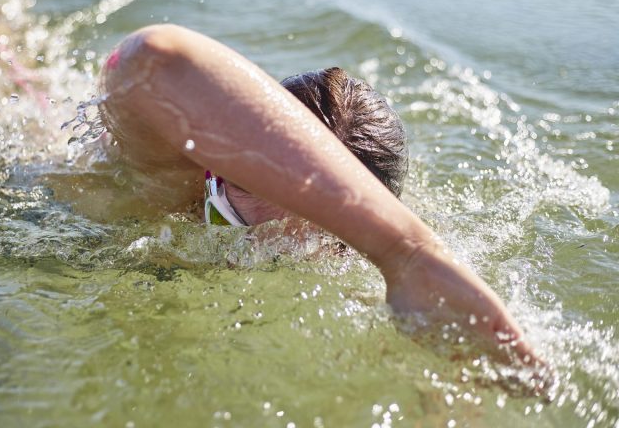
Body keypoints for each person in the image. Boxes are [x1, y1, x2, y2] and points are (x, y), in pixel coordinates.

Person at [97, 23, 539, 364]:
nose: (266, 253)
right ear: (214, 171)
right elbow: (151, 56)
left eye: (321, 243)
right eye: (229, 223)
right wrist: (403, 251)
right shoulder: (162, 184)